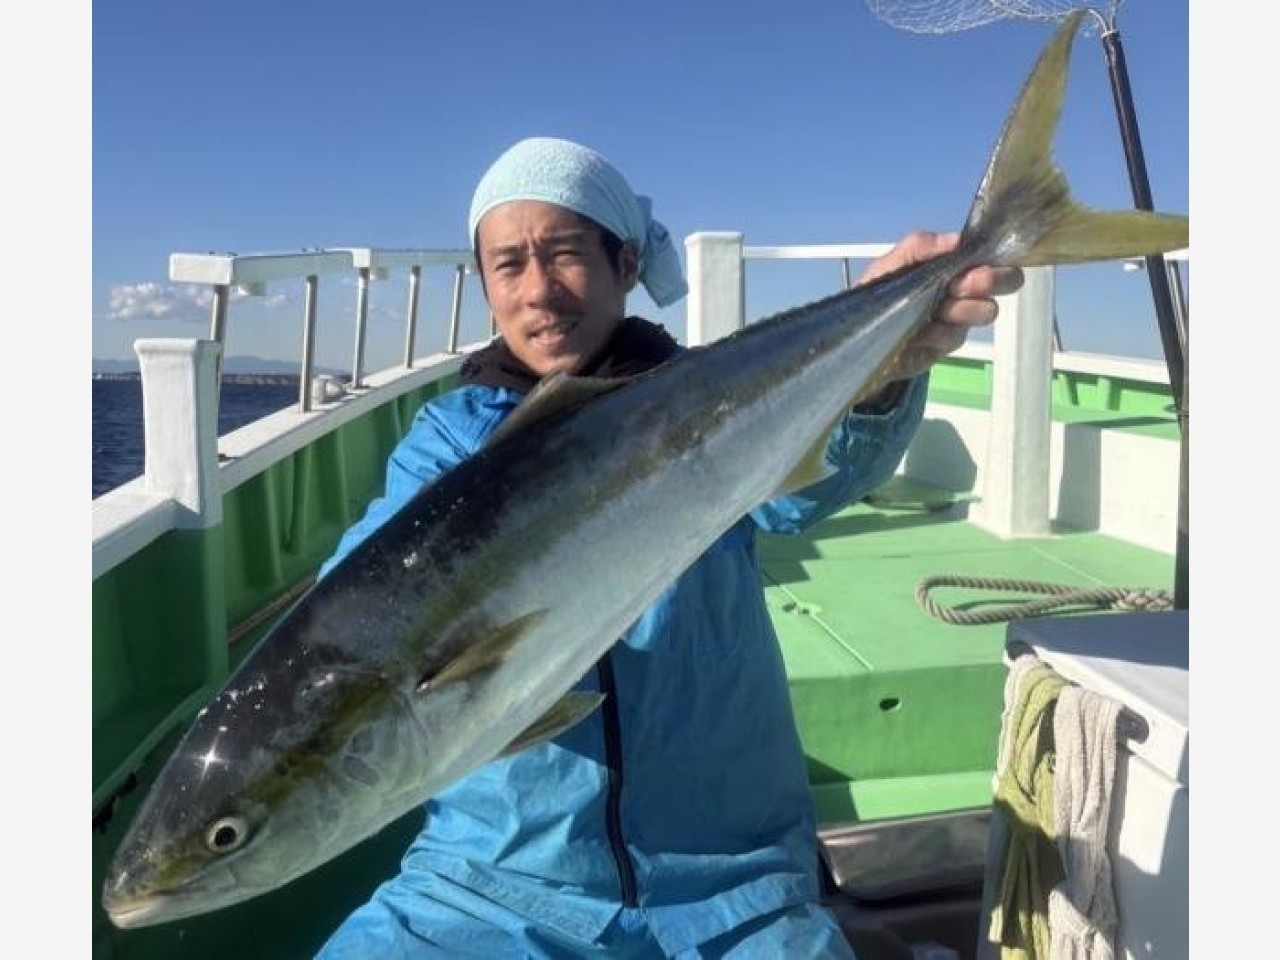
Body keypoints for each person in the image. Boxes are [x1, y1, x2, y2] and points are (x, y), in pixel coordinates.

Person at [314, 136, 1023, 959]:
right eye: (509, 265)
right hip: (488, 882)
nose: (539, 291)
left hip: (734, 882)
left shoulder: (712, 399)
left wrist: (884, 374)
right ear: (486, 288)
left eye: (566, 254)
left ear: (623, 263)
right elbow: (357, 600)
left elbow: (809, 491)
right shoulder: (448, 446)